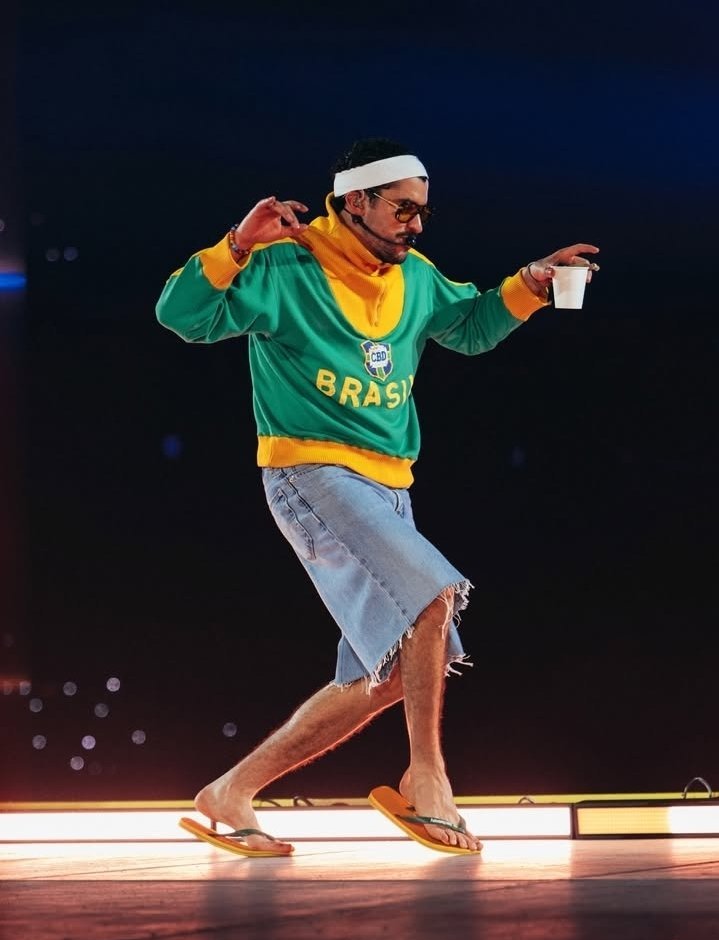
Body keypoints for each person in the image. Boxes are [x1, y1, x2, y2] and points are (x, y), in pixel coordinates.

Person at [155, 136, 599, 856]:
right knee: (432, 597)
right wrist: (236, 245)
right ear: (354, 200)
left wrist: (530, 283)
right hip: (312, 473)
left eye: (422, 212)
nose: (415, 224)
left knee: (393, 672)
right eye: (402, 209)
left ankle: (230, 791)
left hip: (390, 485)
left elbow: (471, 327)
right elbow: (182, 315)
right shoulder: (285, 263)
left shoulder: (415, 278)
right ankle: (427, 779)